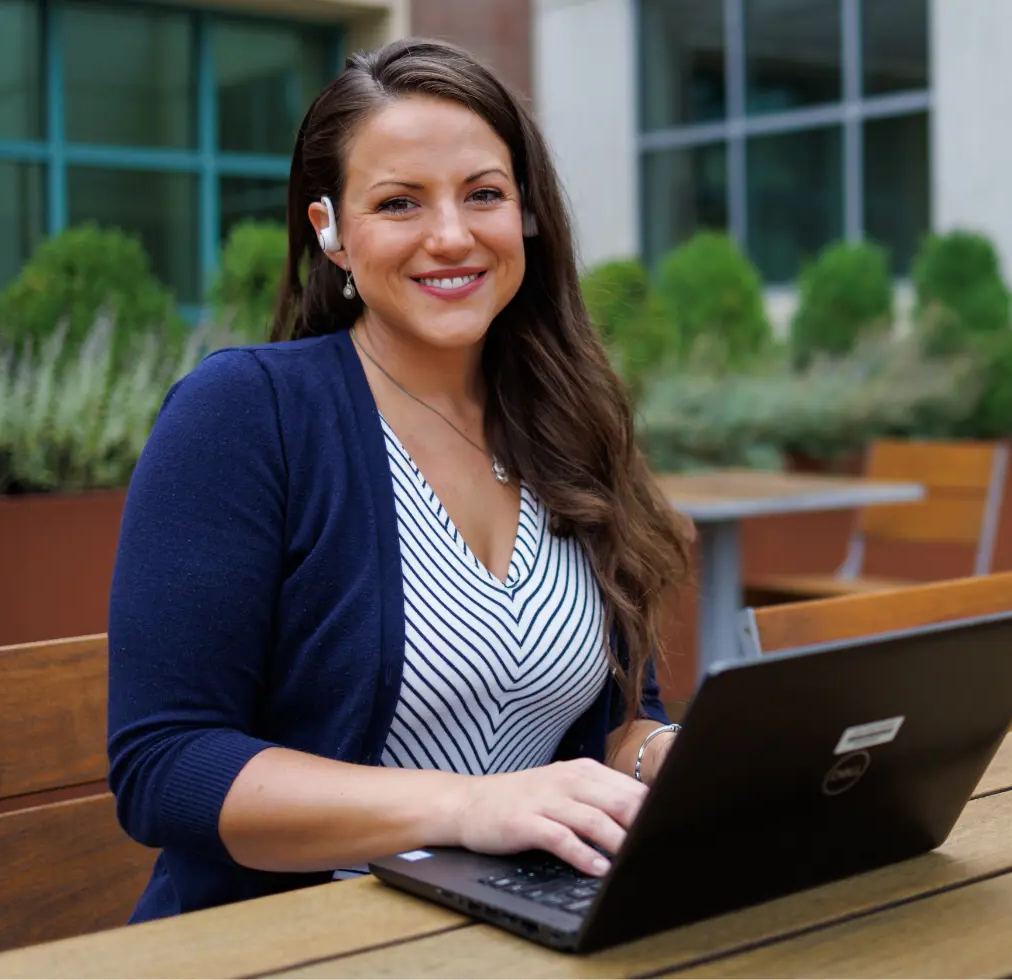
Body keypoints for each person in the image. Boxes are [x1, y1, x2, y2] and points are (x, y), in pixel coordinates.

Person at [107, 38, 690, 923]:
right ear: (330, 232)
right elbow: (166, 765)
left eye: (484, 194)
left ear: (525, 212)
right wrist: (465, 804)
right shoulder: (245, 415)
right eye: (398, 202)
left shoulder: (568, 418)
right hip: (304, 939)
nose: (452, 235)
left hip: (529, 923)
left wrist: (677, 757)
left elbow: (614, 720)